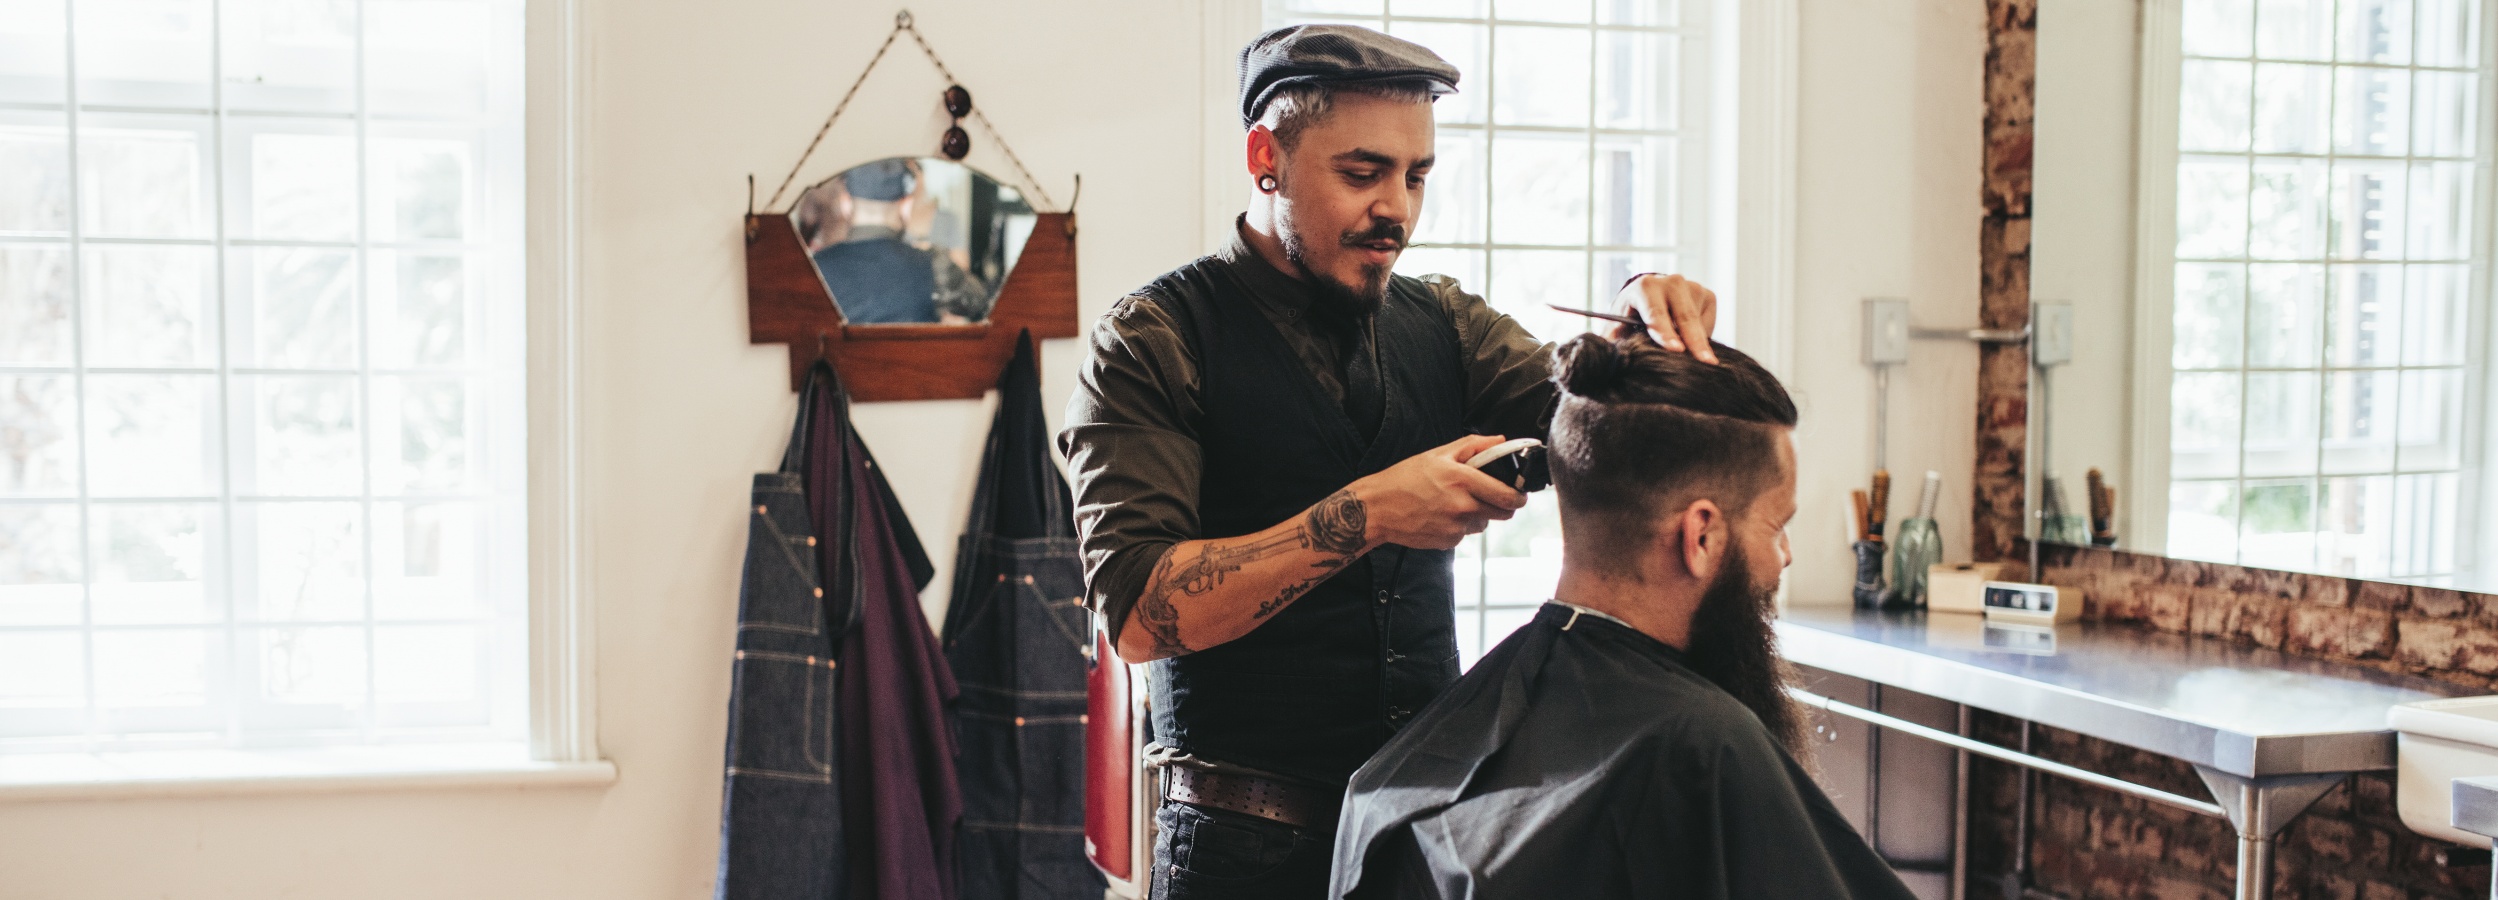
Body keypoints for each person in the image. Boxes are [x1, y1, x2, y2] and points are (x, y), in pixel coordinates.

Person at [1060, 23, 1721, 900]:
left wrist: (1638, 329)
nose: (1397, 210)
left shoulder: (1445, 325)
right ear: (1267, 156)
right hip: (1239, 851)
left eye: (1417, 177)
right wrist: (1368, 515)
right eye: (1362, 173)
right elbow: (1140, 612)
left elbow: (1604, 428)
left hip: (1421, 834)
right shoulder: (1153, 341)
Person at [1328, 334, 1916, 900]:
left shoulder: (1412, 759)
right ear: (1702, 535)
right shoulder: (1704, 749)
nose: (1783, 556)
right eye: (1776, 526)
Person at [810, 159, 984, 324]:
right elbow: (977, 302)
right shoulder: (932, 265)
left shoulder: (814, 268)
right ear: (906, 206)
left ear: (845, 204)